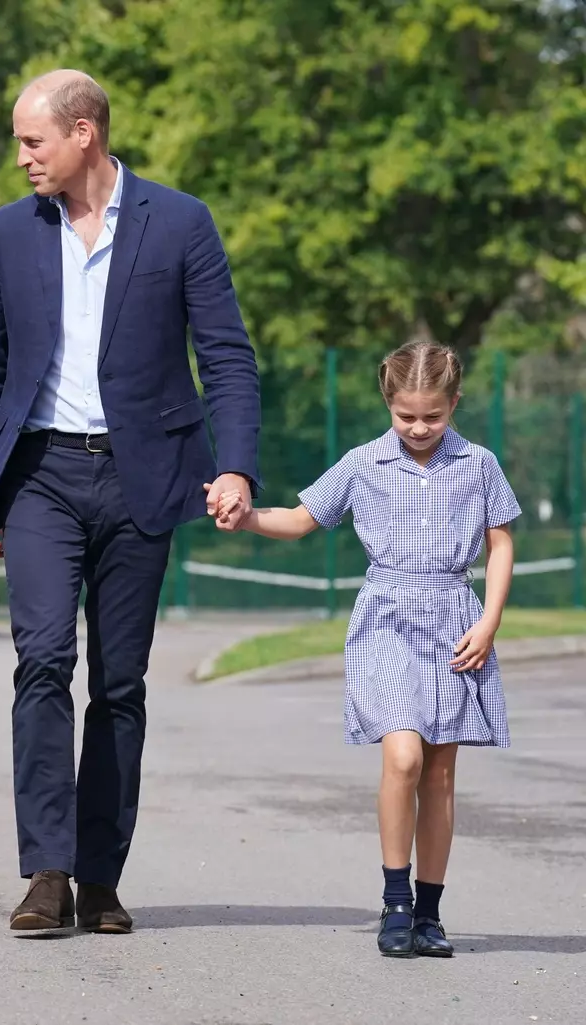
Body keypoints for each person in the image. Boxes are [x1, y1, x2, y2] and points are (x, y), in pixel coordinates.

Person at [0, 69, 262, 933]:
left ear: (84, 133)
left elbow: (228, 357)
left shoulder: (182, 222)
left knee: (119, 683)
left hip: (143, 477)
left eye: (32, 140)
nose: (21, 158)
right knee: (43, 661)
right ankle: (48, 872)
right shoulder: (8, 234)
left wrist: (235, 465)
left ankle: (101, 876)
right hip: (42, 476)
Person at [215, 341, 519, 959]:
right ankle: (396, 903)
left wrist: (488, 623)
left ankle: (430, 914)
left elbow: (501, 544)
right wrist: (245, 517)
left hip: (455, 620)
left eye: (432, 416)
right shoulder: (364, 463)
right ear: (389, 404)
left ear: (454, 403)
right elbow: (302, 519)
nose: (418, 428)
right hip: (385, 619)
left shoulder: (480, 464)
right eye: (406, 415)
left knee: (438, 772)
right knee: (402, 757)